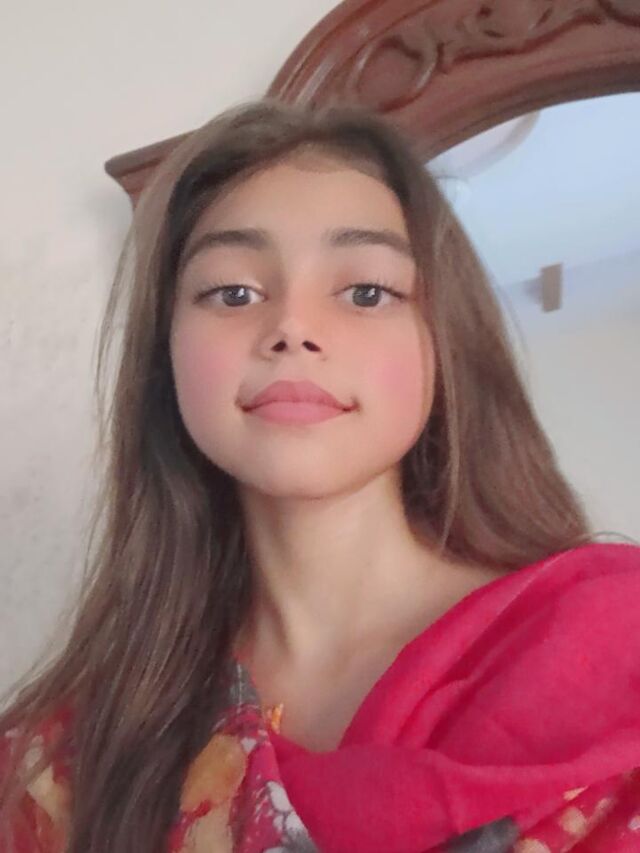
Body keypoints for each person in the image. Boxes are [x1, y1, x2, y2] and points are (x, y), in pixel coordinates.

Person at [1, 97, 639, 853]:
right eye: (233, 292)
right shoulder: (61, 762)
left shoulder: (617, 644)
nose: (291, 328)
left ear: (444, 344)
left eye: (367, 292)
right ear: (164, 356)